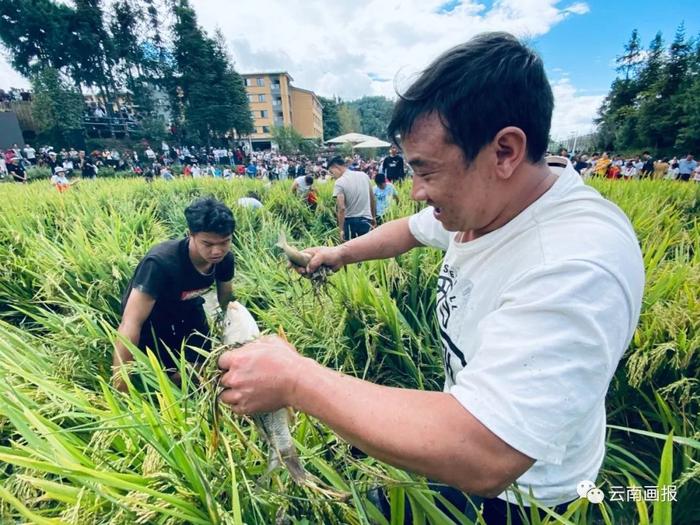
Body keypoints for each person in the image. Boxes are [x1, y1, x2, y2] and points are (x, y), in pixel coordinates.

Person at [216, 32, 645, 523]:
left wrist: (295, 379)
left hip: (523, 498)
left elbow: (486, 453)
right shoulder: (486, 206)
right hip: (453, 431)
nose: (415, 192)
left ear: (504, 151)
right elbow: (409, 231)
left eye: (426, 170)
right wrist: (337, 253)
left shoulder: (576, 260)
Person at [112, 197, 235, 392]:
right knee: (164, 380)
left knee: (201, 369)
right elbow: (130, 323)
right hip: (153, 318)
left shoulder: (225, 258)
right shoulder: (160, 263)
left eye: (225, 242)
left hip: (189, 308)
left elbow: (227, 301)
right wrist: (121, 389)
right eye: (208, 244)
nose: (217, 251)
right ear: (190, 235)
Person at [327, 156, 376, 240]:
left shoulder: (339, 182)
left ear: (336, 167)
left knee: (350, 252)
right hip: (367, 221)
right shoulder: (364, 175)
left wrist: (341, 230)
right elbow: (372, 199)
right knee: (366, 251)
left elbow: (341, 208)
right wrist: (373, 217)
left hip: (350, 224)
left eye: (331, 172)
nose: (333, 176)